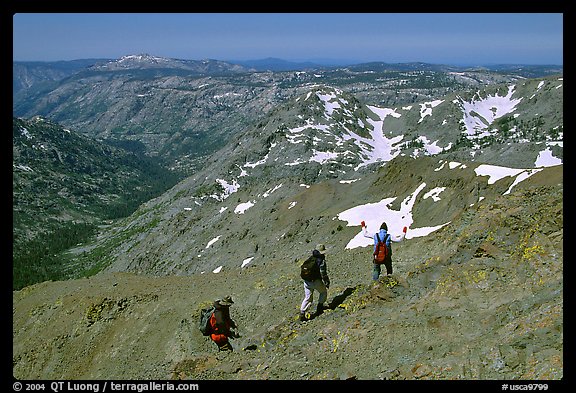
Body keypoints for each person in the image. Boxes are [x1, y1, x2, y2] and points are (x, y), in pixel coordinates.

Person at [299, 244, 330, 322]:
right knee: (323, 292)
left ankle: (302, 313)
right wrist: (326, 282)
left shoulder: (311, 258)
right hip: (316, 281)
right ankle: (320, 307)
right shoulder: (321, 260)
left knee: (308, 297)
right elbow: (323, 273)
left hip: (306, 282)